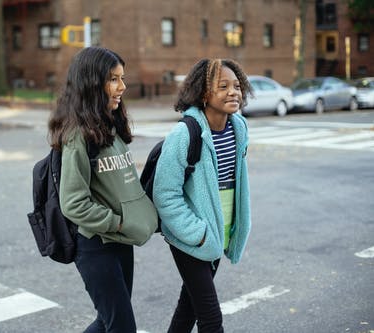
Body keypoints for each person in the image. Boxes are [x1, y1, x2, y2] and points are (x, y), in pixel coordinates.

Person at [48, 46, 158, 333]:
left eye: (122, 78)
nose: (122, 86)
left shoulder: (109, 127)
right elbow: (72, 202)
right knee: (121, 327)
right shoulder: (77, 135)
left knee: (109, 322)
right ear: (91, 83)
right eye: (113, 79)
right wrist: (118, 222)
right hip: (96, 245)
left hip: (120, 242)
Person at [153, 58, 253, 333]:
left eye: (237, 86)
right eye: (223, 86)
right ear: (203, 93)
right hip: (192, 235)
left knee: (189, 308)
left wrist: (228, 230)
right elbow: (165, 194)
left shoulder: (239, 127)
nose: (233, 92)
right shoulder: (184, 134)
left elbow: (237, 182)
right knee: (211, 319)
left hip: (219, 233)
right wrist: (198, 233)